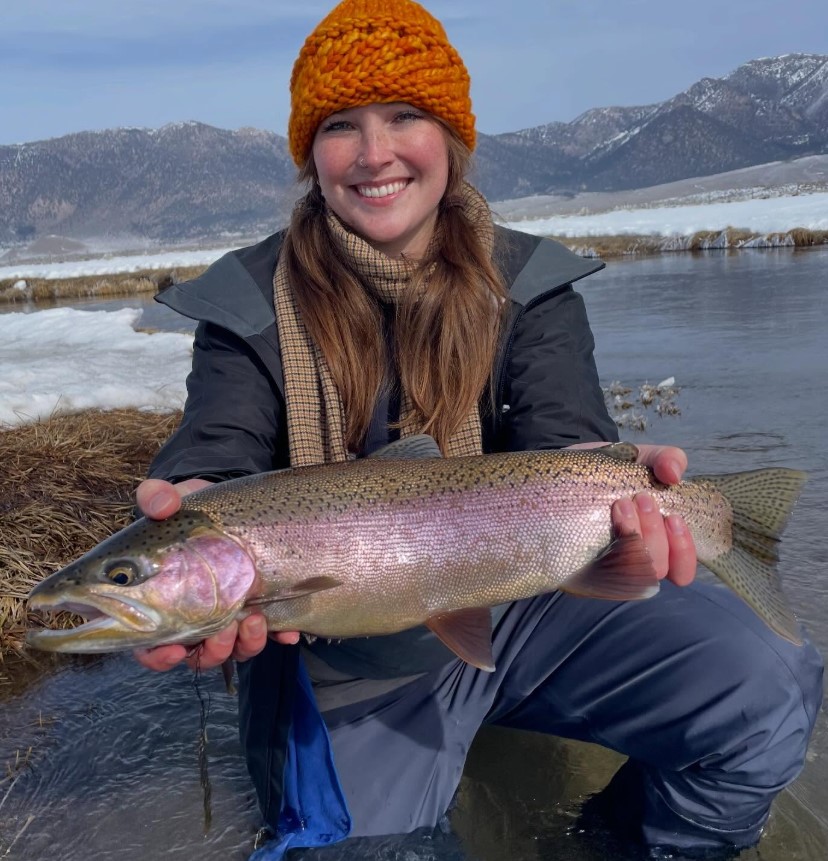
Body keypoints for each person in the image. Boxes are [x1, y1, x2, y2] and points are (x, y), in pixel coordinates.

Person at [134, 1, 823, 857]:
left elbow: (567, 437)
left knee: (766, 682)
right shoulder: (246, 301)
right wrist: (193, 513)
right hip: (346, 647)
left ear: (451, 138)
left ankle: (614, 842)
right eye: (341, 125)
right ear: (310, 152)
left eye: (405, 118)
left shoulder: (528, 283)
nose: (375, 152)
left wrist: (615, 503)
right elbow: (217, 450)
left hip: (524, 591)